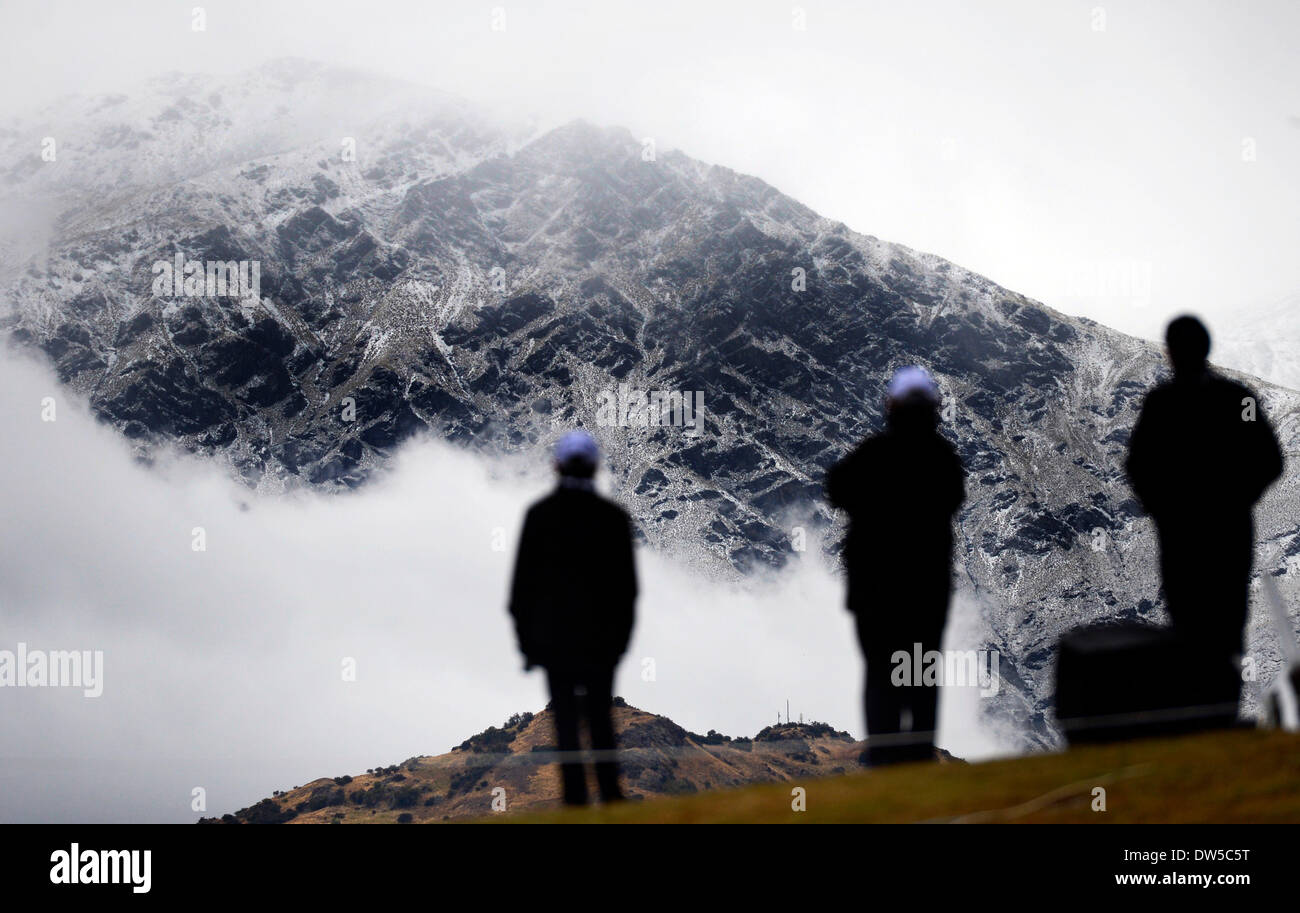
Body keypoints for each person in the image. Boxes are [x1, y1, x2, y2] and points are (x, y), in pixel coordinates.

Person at [1126, 315, 1284, 715]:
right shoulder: (1237, 398)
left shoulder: (1162, 403)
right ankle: (1223, 711)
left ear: (1171, 351)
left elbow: (1138, 466)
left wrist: (1164, 509)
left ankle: (1195, 713)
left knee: (1188, 619)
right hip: (1229, 532)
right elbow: (1270, 458)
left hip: (1181, 535)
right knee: (1228, 621)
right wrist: (1239, 499)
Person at [826, 366, 965, 765]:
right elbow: (952, 501)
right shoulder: (942, 459)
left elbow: (836, 489)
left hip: (875, 592)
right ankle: (920, 754)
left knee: (880, 674)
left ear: (891, 406)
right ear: (934, 408)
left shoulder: (873, 455)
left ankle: (885, 758)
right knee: (921, 673)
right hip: (926, 590)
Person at [508, 429, 637, 804]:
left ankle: (575, 803)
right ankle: (612, 800)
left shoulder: (539, 516)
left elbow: (521, 592)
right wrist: (620, 643)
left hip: (555, 643)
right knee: (600, 720)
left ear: (556, 465)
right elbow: (627, 592)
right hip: (600, 643)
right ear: (596, 467)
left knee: (565, 724)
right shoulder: (612, 519)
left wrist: (528, 646)